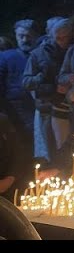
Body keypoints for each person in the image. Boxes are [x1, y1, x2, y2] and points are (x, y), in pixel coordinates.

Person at [22, 18, 73, 161]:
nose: (62, 41)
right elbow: (26, 82)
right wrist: (42, 79)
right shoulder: (38, 54)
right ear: (51, 35)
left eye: (66, 37)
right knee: (52, 149)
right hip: (48, 108)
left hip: (73, 106)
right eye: (58, 38)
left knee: (72, 147)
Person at [0, 19, 39, 157]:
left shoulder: (41, 54)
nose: (24, 39)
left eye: (28, 36)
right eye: (20, 36)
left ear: (35, 36)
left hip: (40, 108)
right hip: (15, 110)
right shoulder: (6, 57)